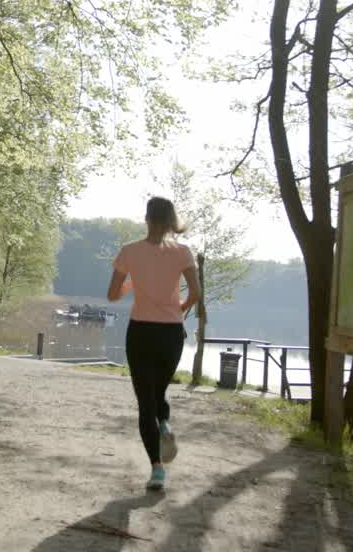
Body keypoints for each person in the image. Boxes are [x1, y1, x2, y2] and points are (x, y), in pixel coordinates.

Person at [107, 196, 201, 492]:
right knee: (158, 390)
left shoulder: (129, 252)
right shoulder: (183, 252)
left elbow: (112, 295)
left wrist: (133, 282)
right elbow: (196, 294)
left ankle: (157, 470)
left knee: (145, 401)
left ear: (146, 218)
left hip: (141, 333)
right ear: (171, 221)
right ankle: (165, 425)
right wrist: (179, 309)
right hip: (171, 333)